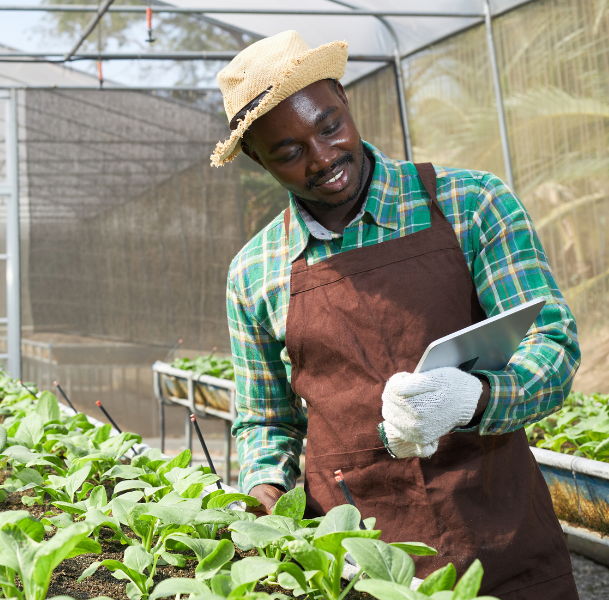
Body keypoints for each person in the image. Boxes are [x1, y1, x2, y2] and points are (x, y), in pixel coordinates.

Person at [217, 31, 580, 600]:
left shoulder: (471, 203)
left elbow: (553, 349)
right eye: (288, 153)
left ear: (343, 97)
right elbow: (266, 422)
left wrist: (474, 398)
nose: (323, 158)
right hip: (359, 560)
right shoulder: (254, 273)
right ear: (257, 159)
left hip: (501, 540)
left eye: (330, 125)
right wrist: (265, 488)